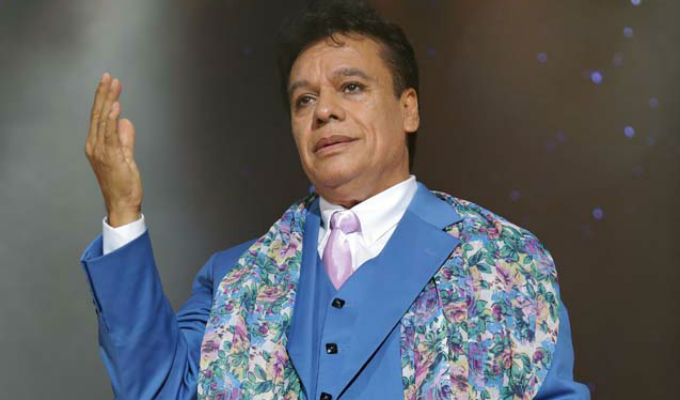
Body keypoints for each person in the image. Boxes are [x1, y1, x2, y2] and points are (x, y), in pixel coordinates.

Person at [80, 1, 590, 399]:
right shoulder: (235, 277)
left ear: (408, 109)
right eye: (304, 100)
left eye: (351, 87)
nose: (324, 110)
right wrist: (123, 212)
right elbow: (157, 390)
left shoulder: (504, 261)